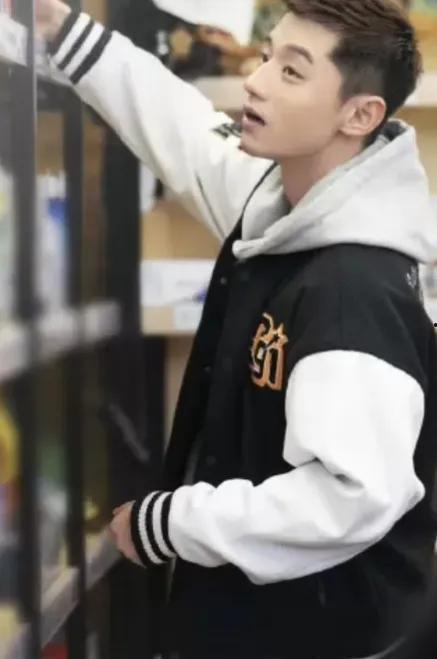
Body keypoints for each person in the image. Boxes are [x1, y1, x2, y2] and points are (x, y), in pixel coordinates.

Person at [37, 1, 437, 658]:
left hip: (324, 638)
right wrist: (62, 30)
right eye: (267, 57)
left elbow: (350, 497)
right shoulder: (292, 205)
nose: (255, 81)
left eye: (291, 71)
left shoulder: (352, 288)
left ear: (360, 115)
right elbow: (184, 132)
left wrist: (169, 522)